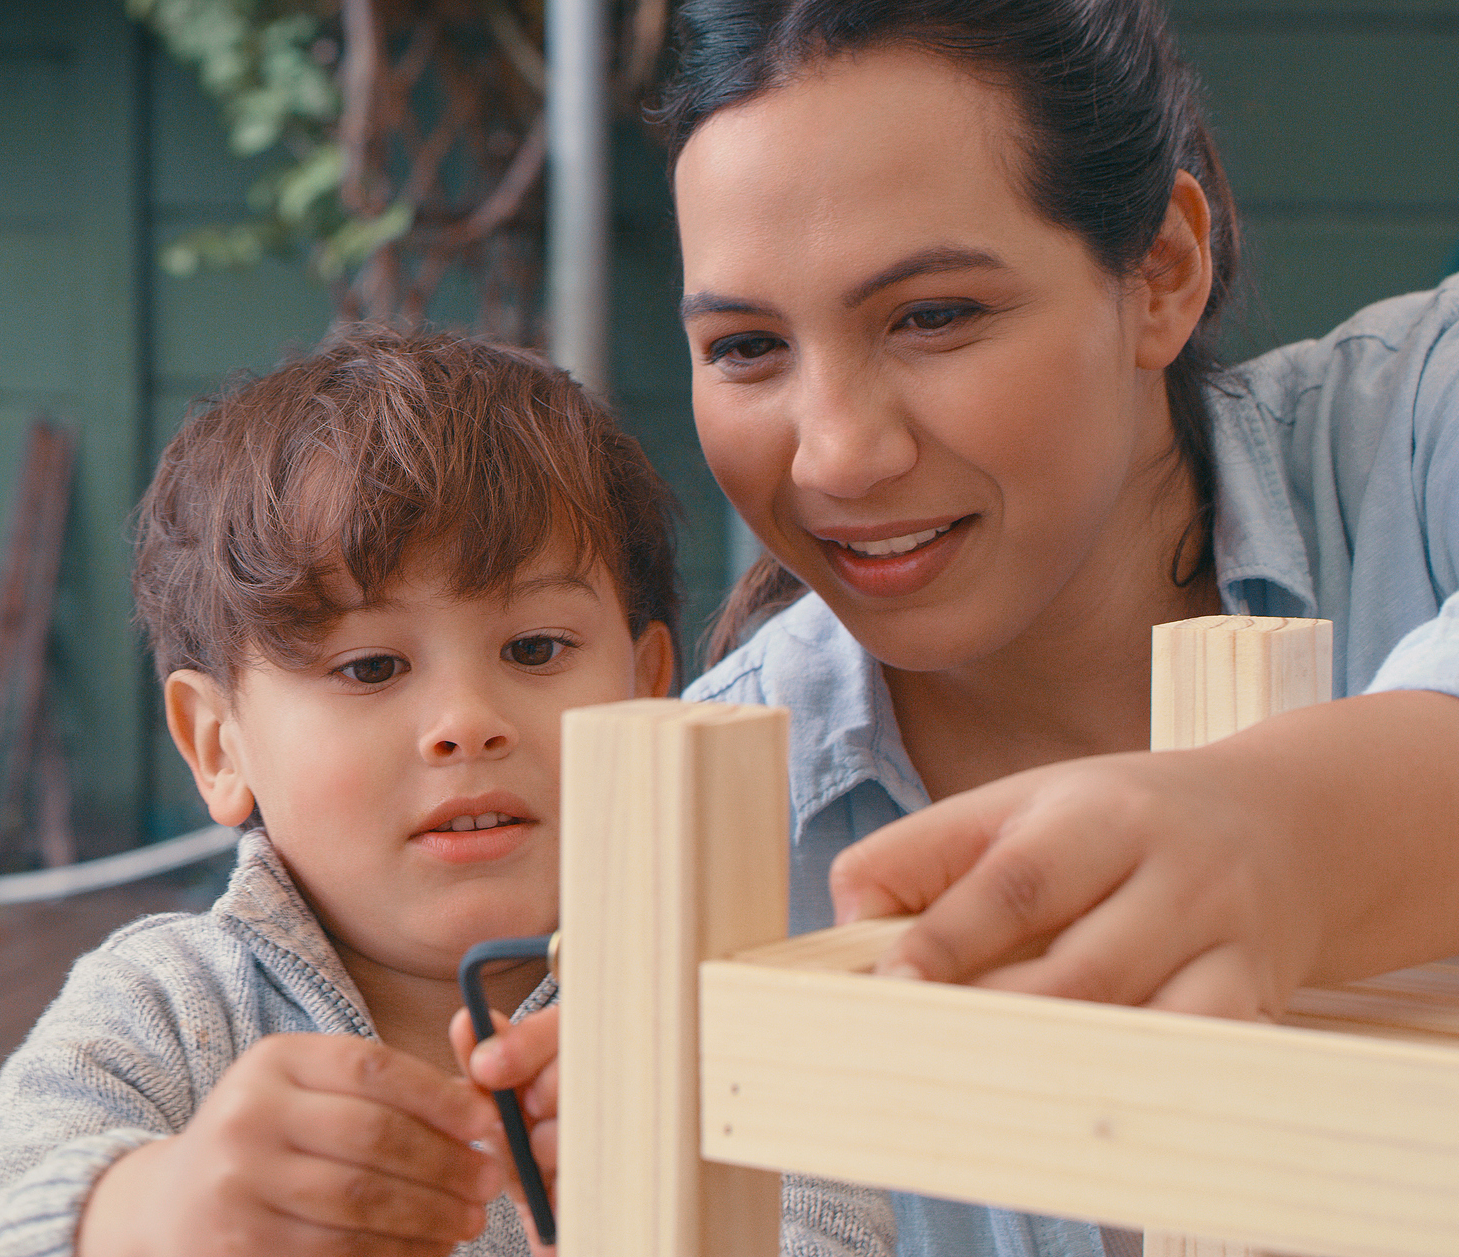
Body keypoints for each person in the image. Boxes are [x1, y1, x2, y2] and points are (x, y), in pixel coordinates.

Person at [460, 2, 1459, 1254]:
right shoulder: (706, 852)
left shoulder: (1416, 427)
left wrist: (1283, 832)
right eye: (747, 346)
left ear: (1158, 274)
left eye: (932, 315)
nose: (836, 455)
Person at [0, 327, 704, 1257]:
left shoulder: (715, 1011)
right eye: (370, 666)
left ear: (647, 691)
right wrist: (149, 1214)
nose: (469, 721)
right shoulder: (166, 1009)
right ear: (217, 744)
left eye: (535, 648)